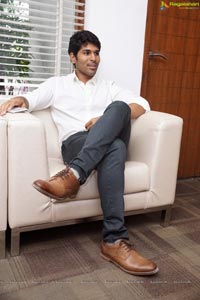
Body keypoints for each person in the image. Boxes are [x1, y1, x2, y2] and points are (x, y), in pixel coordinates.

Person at [0, 30, 158, 276]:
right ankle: (113, 241)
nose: (93, 58)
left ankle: (73, 175)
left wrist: (105, 121)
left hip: (99, 140)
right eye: (86, 52)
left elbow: (142, 105)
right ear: (73, 57)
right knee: (115, 147)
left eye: (96, 53)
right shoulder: (56, 85)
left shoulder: (109, 87)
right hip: (75, 142)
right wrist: (18, 99)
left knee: (118, 108)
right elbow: (30, 99)